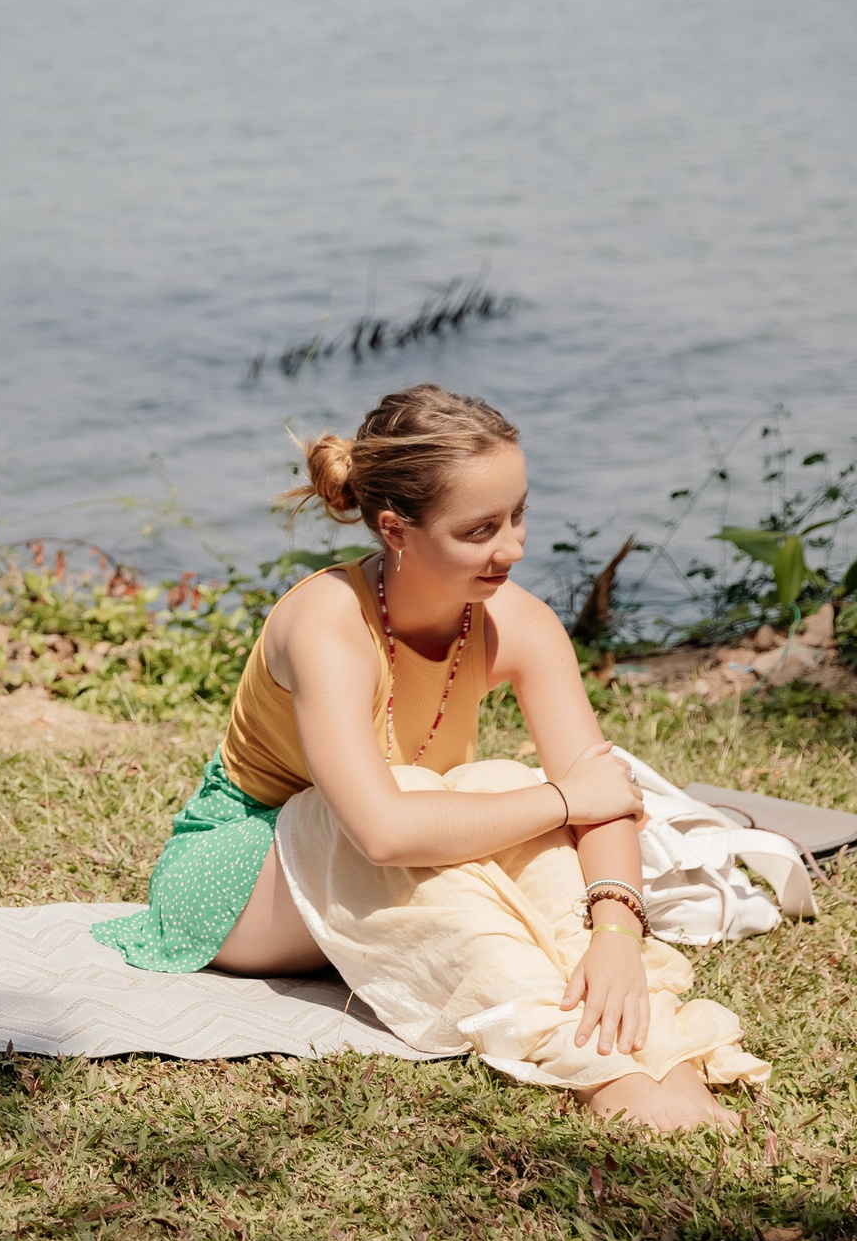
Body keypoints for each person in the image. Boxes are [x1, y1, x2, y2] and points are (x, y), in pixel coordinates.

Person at [93, 385, 762, 1132]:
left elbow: (606, 792)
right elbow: (384, 830)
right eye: (479, 529)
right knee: (444, 794)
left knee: (495, 783)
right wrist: (564, 799)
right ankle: (601, 1070)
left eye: (518, 515)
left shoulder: (520, 624)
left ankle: (653, 1044)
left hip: (384, 866)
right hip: (242, 877)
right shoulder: (327, 623)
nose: (511, 547)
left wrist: (615, 931)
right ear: (396, 530)